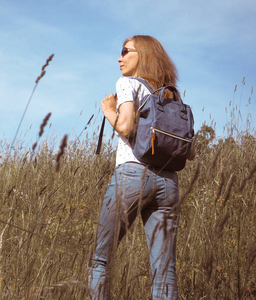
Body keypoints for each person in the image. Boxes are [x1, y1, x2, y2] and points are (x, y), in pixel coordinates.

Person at [88, 35, 194, 299]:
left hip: (132, 175)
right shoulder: (171, 96)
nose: (119, 57)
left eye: (125, 51)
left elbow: (124, 126)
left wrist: (108, 110)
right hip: (169, 183)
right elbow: (190, 151)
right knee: (164, 272)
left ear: (143, 55)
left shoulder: (128, 84)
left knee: (100, 260)